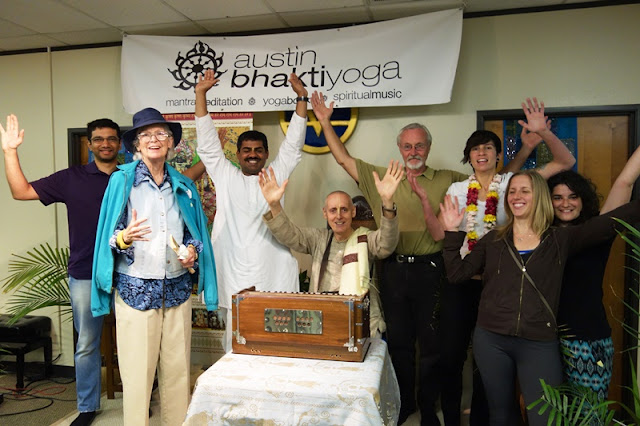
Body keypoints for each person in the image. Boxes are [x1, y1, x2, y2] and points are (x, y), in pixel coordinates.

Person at [310, 90, 467, 425]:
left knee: (432, 346)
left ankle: (428, 409)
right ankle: (403, 403)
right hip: (392, 269)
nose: (413, 151)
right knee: (398, 344)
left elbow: (487, 184)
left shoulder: (447, 178)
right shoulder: (380, 175)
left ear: (428, 148)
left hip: (432, 270)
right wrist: (324, 120)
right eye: (407, 146)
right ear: (400, 149)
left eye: (419, 145)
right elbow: (343, 158)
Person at [439, 169, 640, 426]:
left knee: (544, 418)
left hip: (538, 343)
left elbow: (615, 219)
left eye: (525, 190)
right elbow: (457, 274)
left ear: (539, 197)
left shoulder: (561, 239)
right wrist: (453, 232)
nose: (517, 196)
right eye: (512, 191)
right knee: (500, 415)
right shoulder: (494, 240)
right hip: (491, 339)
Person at [439, 98, 576, 425]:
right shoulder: (457, 190)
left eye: (488, 147)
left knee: (492, 362)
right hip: (464, 278)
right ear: (468, 156)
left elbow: (564, 160)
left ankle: (483, 418)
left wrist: (541, 135)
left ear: (498, 155)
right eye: (475, 148)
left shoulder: (512, 187)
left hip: (502, 285)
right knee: (458, 355)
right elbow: (445, 231)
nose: (482, 152)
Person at [91, 108, 217, 426]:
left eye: (161, 133)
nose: (154, 140)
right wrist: (124, 237)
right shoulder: (122, 181)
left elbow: (194, 234)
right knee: (138, 376)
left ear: (172, 142)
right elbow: (109, 236)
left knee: (177, 373)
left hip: (176, 289)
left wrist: (191, 251)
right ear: (135, 144)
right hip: (136, 290)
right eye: (146, 135)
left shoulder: (183, 185)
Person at [1, 114, 122, 426]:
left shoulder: (133, 176)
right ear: (90, 144)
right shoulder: (71, 178)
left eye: (111, 138)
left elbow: (182, 180)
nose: (105, 144)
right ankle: (87, 407)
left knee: (138, 341)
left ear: (119, 143)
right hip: (85, 273)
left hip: (131, 274)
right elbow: (21, 191)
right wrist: (10, 151)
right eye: (99, 139)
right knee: (87, 344)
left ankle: (139, 397)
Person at [194, 69, 308, 352]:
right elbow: (208, 147)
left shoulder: (275, 174)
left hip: (273, 273)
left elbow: (293, 145)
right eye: (246, 150)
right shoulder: (226, 175)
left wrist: (302, 99)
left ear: (267, 154)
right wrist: (200, 95)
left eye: (258, 150)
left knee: (278, 342)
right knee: (235, 344)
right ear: (238, 154)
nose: (253, 154)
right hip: (232, 273)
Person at [258, 161, 402, 336]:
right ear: (325, 213)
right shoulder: (318, 239)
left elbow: (387, 242)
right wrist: (274, 205)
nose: (339, 216)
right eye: (333, 210)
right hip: (323, 321)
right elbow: (290, 235)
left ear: (353, 212)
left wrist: (387, 202)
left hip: (361, 323)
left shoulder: (366, 239)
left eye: (344, 210)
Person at [548, 145, 640, 399]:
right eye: (557, 197)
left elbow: (625, 181)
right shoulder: (537, 237)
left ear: (583, 200)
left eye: (573, 196)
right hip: (543, 343)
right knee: (548, 415)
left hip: (588, 341)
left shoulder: (597, 230)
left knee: (588, 416)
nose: (565, 203)